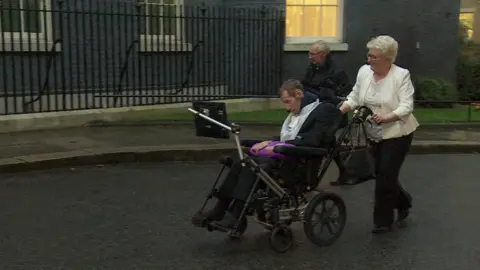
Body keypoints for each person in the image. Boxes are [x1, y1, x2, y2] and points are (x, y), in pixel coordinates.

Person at [194, 79, 343, 229]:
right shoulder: (299, 111)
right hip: (284, 155)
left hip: (298, 162)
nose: (286, 108)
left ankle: (235, 213)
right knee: (239, 162)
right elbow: (289, 137)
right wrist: (268, 142)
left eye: (288, 101)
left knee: (251, 166)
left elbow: (311, 140)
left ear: (299, 94)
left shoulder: (322, 111)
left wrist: (278, 145)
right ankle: (221, 208)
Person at [339, 35, 420, 234]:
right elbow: (355, 96)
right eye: (369, 55)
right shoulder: (364, 72)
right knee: (381, 174)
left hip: (397, 133)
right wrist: (340, 110)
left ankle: (383, 222)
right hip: (372, 131)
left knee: (385, 175)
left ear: (388, 59)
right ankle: (403, 202)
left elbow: (407, 106)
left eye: (374, 57)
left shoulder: (401, 75)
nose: (369, 60)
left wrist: (387, 117)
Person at [301, 40, 353, 185]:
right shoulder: (312, 68)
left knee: (325, 141)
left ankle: (313, 179)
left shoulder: (337, 72)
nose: (310, 57)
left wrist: (329, 95)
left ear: (323, 54)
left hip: (332, 113)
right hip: (314, 111)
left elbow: (347, 93)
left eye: (313, 54)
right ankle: (344, 172)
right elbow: (305, 84)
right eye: (309, 54)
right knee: (328, 142)